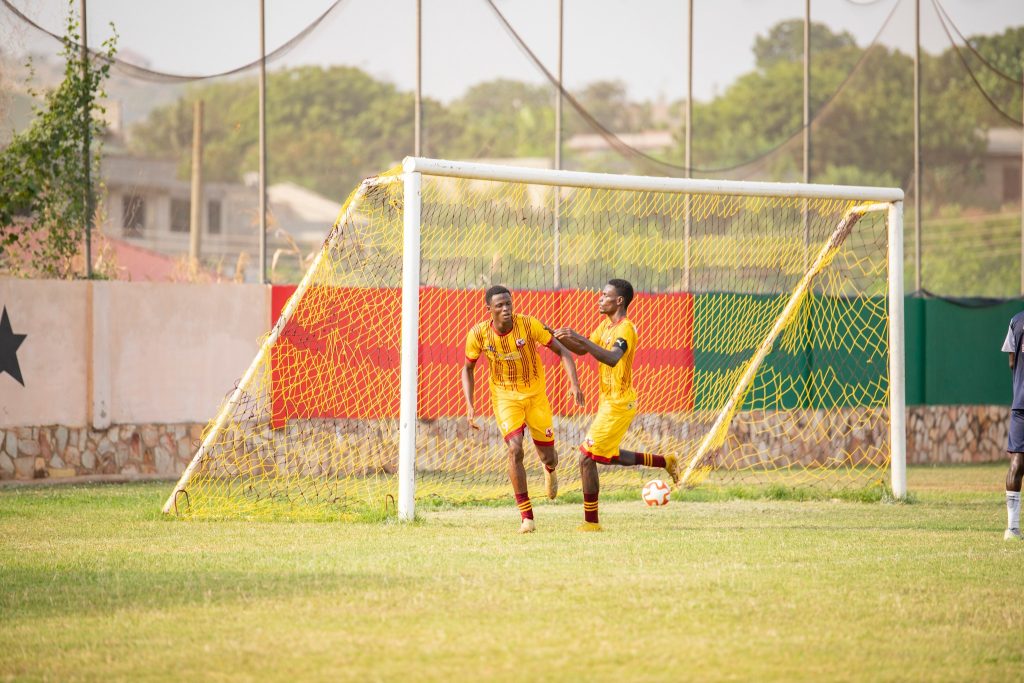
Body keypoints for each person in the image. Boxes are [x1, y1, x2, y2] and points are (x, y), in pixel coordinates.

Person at [554, 279, 679, 532]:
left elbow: (611, 358)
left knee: (586, 457)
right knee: (609, 456)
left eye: (604, 295)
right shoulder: (605, 326)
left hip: (620, 403)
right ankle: (665, 461)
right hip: (608, 402)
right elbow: (581, 349)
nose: (600, 299)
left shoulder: (626, 329)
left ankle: (591, 523)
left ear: (619, 300)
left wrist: (580, 338)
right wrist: (550, 334)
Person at [462, 285, 585, 534]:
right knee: (515, 449)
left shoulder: (529, 325)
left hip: (536, 397)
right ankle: (526, 517)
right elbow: (467, 368)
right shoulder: (478, 334)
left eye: (508, 303)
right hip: (505, 398)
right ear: (489, 310)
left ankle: (550, 469)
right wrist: (470, 404)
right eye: (499, 305)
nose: (506, 309)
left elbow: (563, 351)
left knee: (549, 456)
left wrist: (574, 384)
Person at [1001, 310, 1024, 541]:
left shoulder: (1016, 321)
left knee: (1017, 462)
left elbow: (1011, 362)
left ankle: (1012, 529)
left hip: (1021, 403)